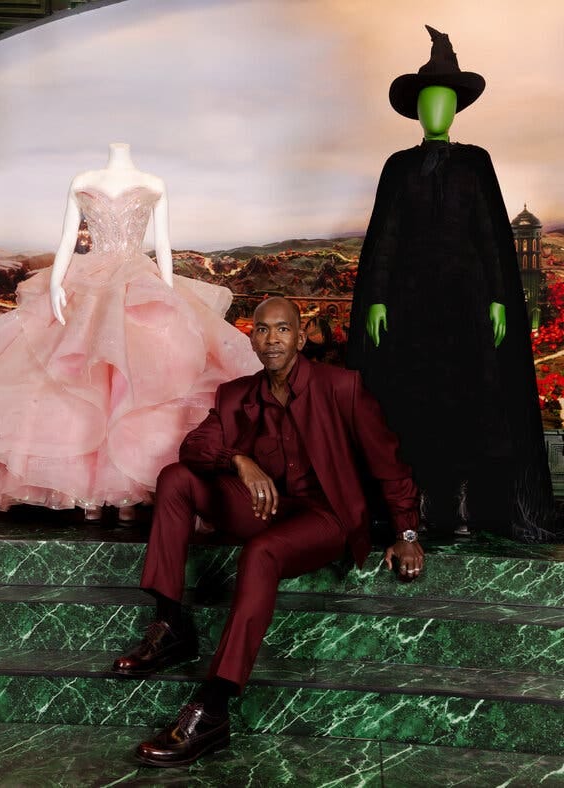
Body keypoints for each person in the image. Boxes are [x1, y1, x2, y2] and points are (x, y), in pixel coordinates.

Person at [113, 296, 423, 767]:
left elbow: (390, 464)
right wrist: (239, 461)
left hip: (325, 517)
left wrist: (407, 532)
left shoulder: (342, 388)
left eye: (282, 329)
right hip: (265, 508)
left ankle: (213, 707)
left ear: (301, 338)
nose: (272, 338)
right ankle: (171, 621)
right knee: (175, 478)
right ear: (251, 337)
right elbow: (195, 447)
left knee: (260, 554)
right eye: (262, 330)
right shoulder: (237, 394)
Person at [0, 143, 260, 520]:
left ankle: (125, 491)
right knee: (87, 380)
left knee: (131, 380)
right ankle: (92, 491)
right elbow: (67, 242)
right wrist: (56, 283)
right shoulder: (83, 181)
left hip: (139, 282)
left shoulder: (154, 183)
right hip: (91, 283)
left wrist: (169, 299)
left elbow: (163, 245)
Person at [346, 26, 558, 541]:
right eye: (428, 103)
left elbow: (489, 233)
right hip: (410, 306)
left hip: (466, 303)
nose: (435, 111)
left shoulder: (476, 162)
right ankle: (411, 504)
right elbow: (386, 238)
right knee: (410, 399)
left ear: (455, 109)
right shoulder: (398, 167)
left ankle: (462, 504)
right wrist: (375, 300)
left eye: (443, 102)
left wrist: (499, 300)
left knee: (471, 400)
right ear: (418, 111)